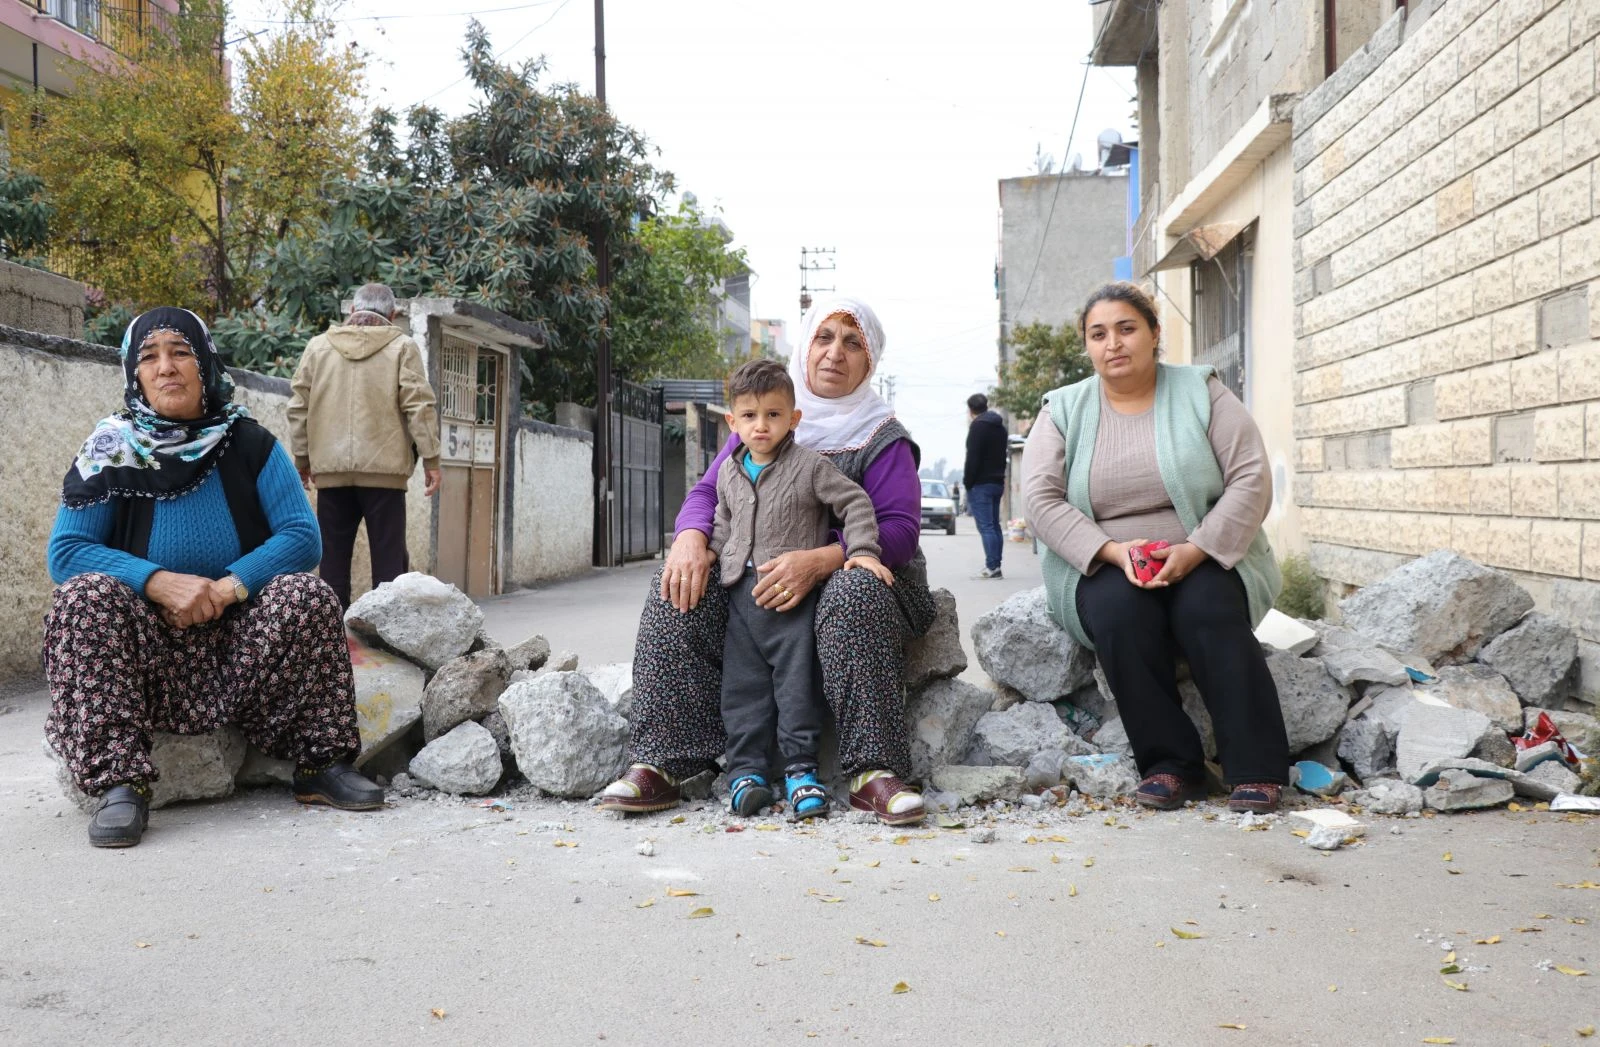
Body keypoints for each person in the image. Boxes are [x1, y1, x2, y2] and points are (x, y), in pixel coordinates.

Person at [44, 307, 385, 848]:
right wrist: (156, 580)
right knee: (84, 599)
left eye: (180, 352)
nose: (166, 368)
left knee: (307, 595)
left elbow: (302, 537)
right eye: (149, 357)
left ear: (205, 363)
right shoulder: (111, 446)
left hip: (239, 649)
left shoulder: (248, 442)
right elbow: (67, 552)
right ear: (134, 373)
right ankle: (119, 785)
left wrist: (228, 587)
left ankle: (320, 765)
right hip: (146, 651)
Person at [598, 294, 936, 826]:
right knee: (679, 587)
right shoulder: (764, 421)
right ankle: (663, 762)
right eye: (824, 338)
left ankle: (874, 772)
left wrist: (822, 560)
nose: (835, 353)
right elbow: (708, 493)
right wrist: (689, 536)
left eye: (853, 343)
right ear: (805, 347)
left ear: (870, 363)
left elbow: (898, 529)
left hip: (857, 575)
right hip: (762, 579)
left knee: (854, 594)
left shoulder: (882, 437)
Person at [1020, 282, 1289, 813]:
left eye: (1126, 329)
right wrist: (1112, 553)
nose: (1113, 344)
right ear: (1088, 346)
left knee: (1208, 608)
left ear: (1154, 334)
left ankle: (1256, 770)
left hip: (1203, 553)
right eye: (1098, 334)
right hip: (1104, 561)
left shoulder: (1201, 389)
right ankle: (1171, 766)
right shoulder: (1064, 409)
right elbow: (1041, 499)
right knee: (1121, 613)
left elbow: (1251, 477)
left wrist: (1196, 549)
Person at [711, 359, 894, 820]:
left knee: (796, 689)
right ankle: (746, 774)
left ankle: (800, 772)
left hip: (793, 606)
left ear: (794, 418)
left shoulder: (811, 467)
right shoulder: (730, 472)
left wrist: (864, 550)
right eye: (749, 416)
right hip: (741, 599)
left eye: (773, 414)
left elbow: (856, 503)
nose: (761, 425)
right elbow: (722, 522)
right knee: (743, 690)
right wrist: (707, 556)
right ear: (732, 422)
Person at [287, 282, 441, 607]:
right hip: (385, 475)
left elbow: (299, 405)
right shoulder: (403, 347)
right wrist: (431, 459)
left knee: (332, 564)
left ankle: (332, 643)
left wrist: (302, 459)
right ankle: (388, 642)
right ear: (394, 314)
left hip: (331, 473)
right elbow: (419, 405)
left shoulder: (318, 347)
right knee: (389, 565)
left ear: (353, 311)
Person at [964, 392, 1008, 578]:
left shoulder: (978, 427)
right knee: (994, 525)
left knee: (986, 527)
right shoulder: (1000, 427)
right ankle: (996, 564)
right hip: (997, 482)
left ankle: (992, 566)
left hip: (980, 484)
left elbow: (973, 457)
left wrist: (968, 481)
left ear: (971, 409)